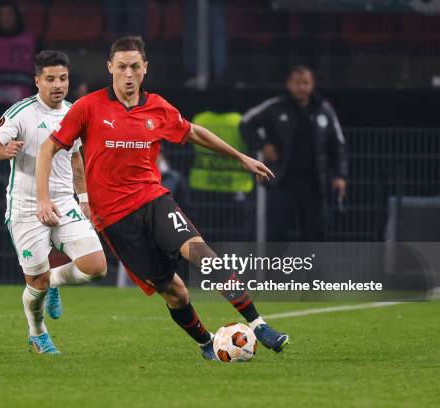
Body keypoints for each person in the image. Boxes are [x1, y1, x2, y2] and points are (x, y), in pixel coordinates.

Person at [35, 36, 290, 360]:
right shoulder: (89, 107)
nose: (129, 74)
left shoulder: (157, 107)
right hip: (116, 219)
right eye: (123, 67)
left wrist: (241, 157)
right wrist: (44, 199)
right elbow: (49, 147)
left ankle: (258, 323)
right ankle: (205, 344)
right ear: (110, 67)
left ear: (145, 69)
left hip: (154, 200)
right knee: (175, 292)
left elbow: (194, 132)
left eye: (135, 67)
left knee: (203, 254)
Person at [0, 51, 107, 354]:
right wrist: (4, 151)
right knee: (35, 283)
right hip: (26, 207)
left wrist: (85, 199)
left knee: (96, 268)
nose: (57, 85)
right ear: (37, 81)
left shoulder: (74, 112)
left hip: (63, 201)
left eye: (62, 78)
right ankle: (37, 332)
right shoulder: (21, 112)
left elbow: (76, 158)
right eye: (50, 79)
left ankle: (55, 283)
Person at [240, 65, 348, 242]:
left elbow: (338, 144)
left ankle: (310, 269)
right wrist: (262, 145)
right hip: (282, 182)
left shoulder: (324, 109)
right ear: (289, 84)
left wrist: (340, 175)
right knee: (276, 234)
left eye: (306, 83)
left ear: (312, 85)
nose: (301, 87)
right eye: (297, 83)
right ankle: (274, 270)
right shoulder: (275, 106)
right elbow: (245, 123)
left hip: (315, 184)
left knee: (315, 234)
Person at [0, 0, 36, 115]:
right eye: (2, 14)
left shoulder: (31, 41)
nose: (6, 18)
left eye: (10, 14)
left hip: (23, 104)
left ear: (16, 16)